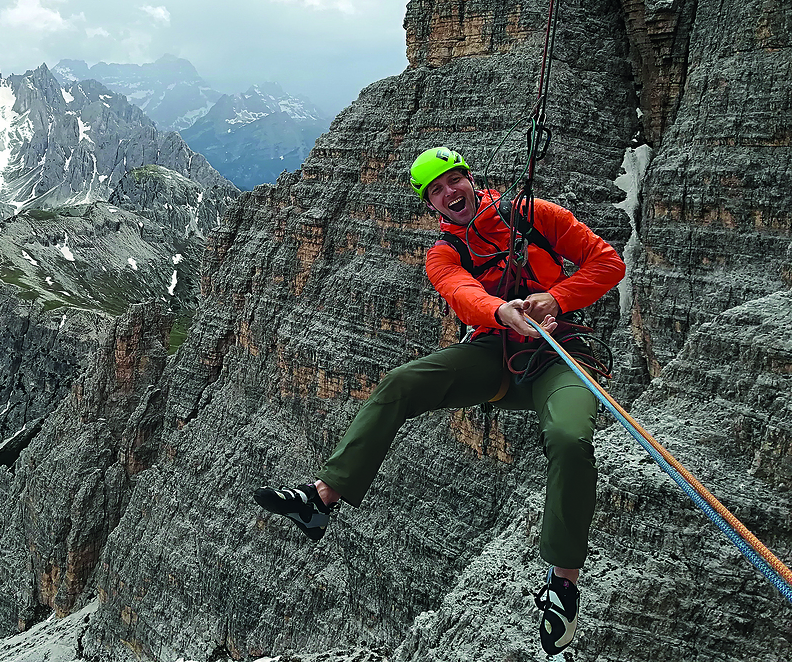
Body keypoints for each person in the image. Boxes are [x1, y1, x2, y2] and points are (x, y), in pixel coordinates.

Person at [254, 146, 625, 656]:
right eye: (437, 191)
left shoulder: (535, 215)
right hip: (494, 353)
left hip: (561, 357)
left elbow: (607, 262)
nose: (450, 193)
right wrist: (503, 311)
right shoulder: (443, 253)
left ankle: (563, 584)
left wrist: (555, 299)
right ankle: (321, 499)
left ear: (472, 180)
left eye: (454, 181)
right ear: (431, 206)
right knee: (402, 383)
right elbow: (461, 293)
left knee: (567, 437)